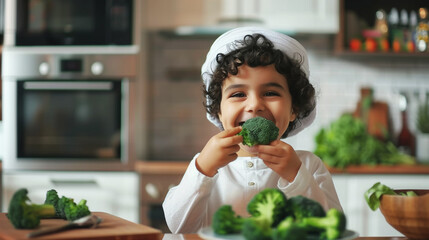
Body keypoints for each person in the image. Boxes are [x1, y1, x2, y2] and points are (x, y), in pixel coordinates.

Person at [162, 26, 342, 234]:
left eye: (270, 92)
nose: (254, 105)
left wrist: (296, 176)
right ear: (218, 111)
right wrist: (202, 169)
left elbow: (331, 230)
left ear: (294, 109)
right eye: (238, 94)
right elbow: (178, 226)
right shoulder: (208, 166)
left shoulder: (309, 165)